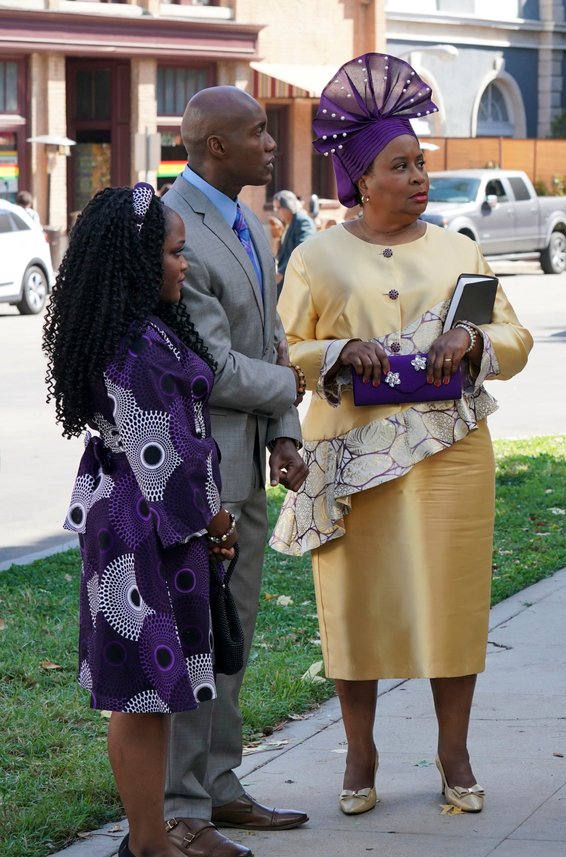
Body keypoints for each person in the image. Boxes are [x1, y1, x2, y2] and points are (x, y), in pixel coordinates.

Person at [269, 53, 532, 819]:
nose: (419, 177)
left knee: (451, 600)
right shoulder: (317, 255)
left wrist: (476, 344)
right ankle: (360, 751)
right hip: (349, 455)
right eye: (400, 165)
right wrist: (333, 353)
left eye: (421, 162)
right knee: (355, 603)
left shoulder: (458, 249)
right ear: (361, 178)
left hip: (451, 454)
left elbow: (513, 338)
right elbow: (280, 351)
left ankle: (454, 751)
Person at [43, 183, 236, 857]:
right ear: (138, 260)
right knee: (136, 695)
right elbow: (168, 461)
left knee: (150, 694)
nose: (185, 265)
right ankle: (149, 846)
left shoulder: (138, 330)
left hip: (137, 525)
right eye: (176, 253)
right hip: (146, 533)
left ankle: (148, 840)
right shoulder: (136, 348)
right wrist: (216, 522)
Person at [161, 87, 310, 857]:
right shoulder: (172, 225)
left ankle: (221, 784)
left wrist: (285, 432)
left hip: (250, 468)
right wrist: (294, 389)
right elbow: (211, 365)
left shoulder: (254, 222)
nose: (270, 143)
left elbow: (273, 339)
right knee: (195, 640)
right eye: (257, 132)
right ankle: (181, 806)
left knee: (232, 636)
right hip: (196, 475)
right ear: (216, 145)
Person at [272, 189, 315, 288]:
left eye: (278, 208)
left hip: (298, 280)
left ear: (288, 206)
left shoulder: (303, 222)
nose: (277, 212)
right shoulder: (287, 223)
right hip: (287, 277)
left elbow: (302, 251)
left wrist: (281, 272)